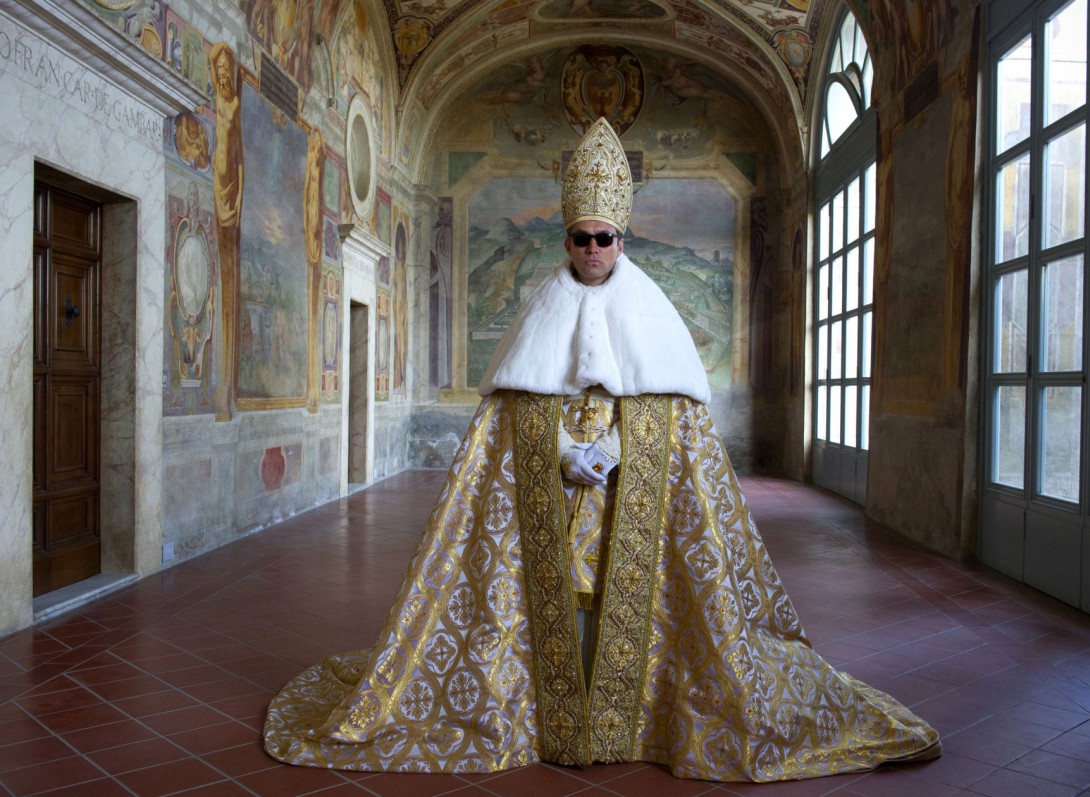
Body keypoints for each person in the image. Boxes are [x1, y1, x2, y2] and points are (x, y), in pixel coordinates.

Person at [263, 118, 940, 781]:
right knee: (556, 593)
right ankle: (550, 710)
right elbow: (511, 408)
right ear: (567, 240)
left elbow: (674, 411)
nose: (593, 249)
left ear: (622, 240)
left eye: (604, 238)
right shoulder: (539, 307)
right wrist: (561, 448)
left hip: (630, 489)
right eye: (582, 238)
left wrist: (617, 446)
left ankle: (634, 715)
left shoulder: (653, 313)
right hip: (551, 489)